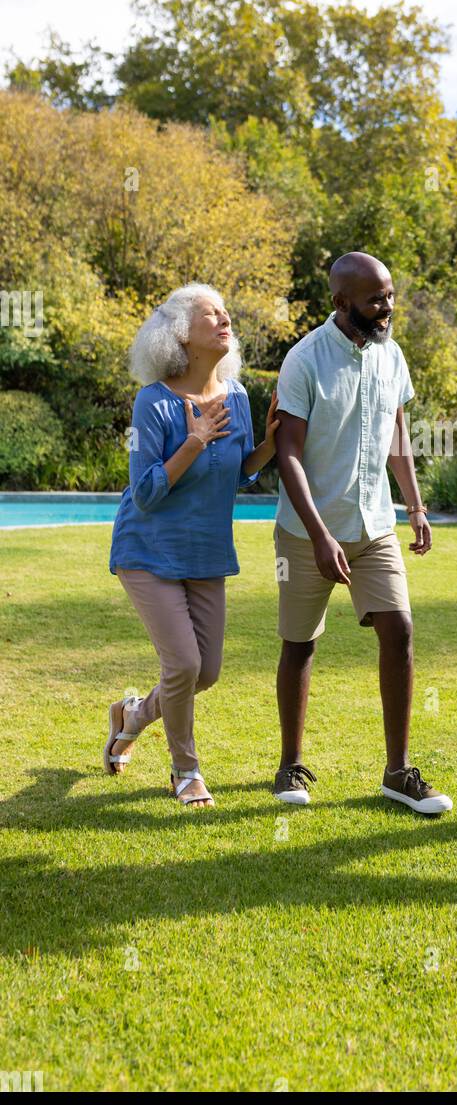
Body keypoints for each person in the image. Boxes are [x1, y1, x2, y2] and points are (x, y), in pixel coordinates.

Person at [271, 252, 452, 815]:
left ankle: (398, 773)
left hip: (375, 526)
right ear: (340, 302)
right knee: (301, 643)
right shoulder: (303, 360)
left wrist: (416, 506)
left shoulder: (391, 355)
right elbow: (288, 456)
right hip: (307, 532)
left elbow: (397, 436)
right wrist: (321, 534)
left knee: (398, 629)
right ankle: (289, 765)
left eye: (390, 296)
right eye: (375, 299)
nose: (387, 308)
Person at [107, 283, 278, 808]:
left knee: (206, 672)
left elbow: (239, 475)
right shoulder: (153, 403)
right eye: (212, 315)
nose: (225, 321)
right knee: (182, 665)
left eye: (227, 314)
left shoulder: (238, 397)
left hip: (205, 552)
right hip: (147, 548)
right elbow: (148, 491)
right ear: (181, 334)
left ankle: (133, 715)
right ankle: (186, 770)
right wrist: (195, 439)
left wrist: (268, 445)